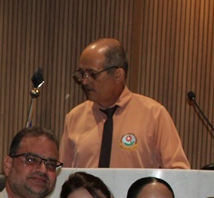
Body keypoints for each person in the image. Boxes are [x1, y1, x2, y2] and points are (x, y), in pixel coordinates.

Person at [60, 39, 190, 170]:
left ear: (118, 75)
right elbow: (62, 173)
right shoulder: (74, 118)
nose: (84, 81)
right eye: (82, 74)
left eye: (92, 74)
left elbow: (178, 171)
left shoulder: (154, 115)